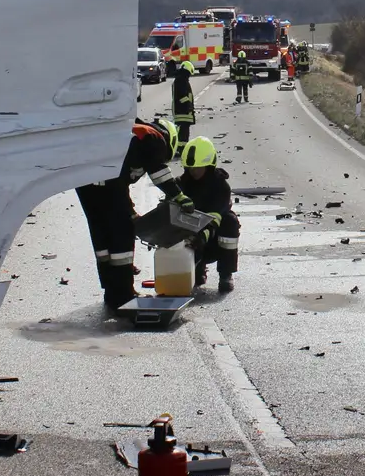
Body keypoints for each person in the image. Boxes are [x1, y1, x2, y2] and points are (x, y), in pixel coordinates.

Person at [75, 118, 178, 311]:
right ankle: (123, 295)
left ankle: (112, 291)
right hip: (104, 180)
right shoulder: (154, 139)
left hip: (87, 181)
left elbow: (120, 186)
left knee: (102, 235)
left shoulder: (135, 138)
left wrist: (129, 211)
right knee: (121, 233)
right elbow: (159, 174)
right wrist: (178, 195)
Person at [160, 136, 241, 293]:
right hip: (187, 241)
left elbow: (216, 216)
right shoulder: (180, 184)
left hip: (212, 241)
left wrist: (202, 237)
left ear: (208, 166)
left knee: (230, 221)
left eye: (198, 168)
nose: (194, 171)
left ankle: (226, 274)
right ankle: (197, 269)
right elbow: (169, 213)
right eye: (190, 168)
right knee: (192, 281)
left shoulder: (221, 186)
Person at [171, 61, 195, 147]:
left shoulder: (180, 79)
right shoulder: (181, 80)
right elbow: (182, 95)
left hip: (183, 111)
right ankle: (181, 149)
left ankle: (180, 148)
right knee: (183, 133)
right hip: (183, 112)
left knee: (182, 132)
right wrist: (189, 106)